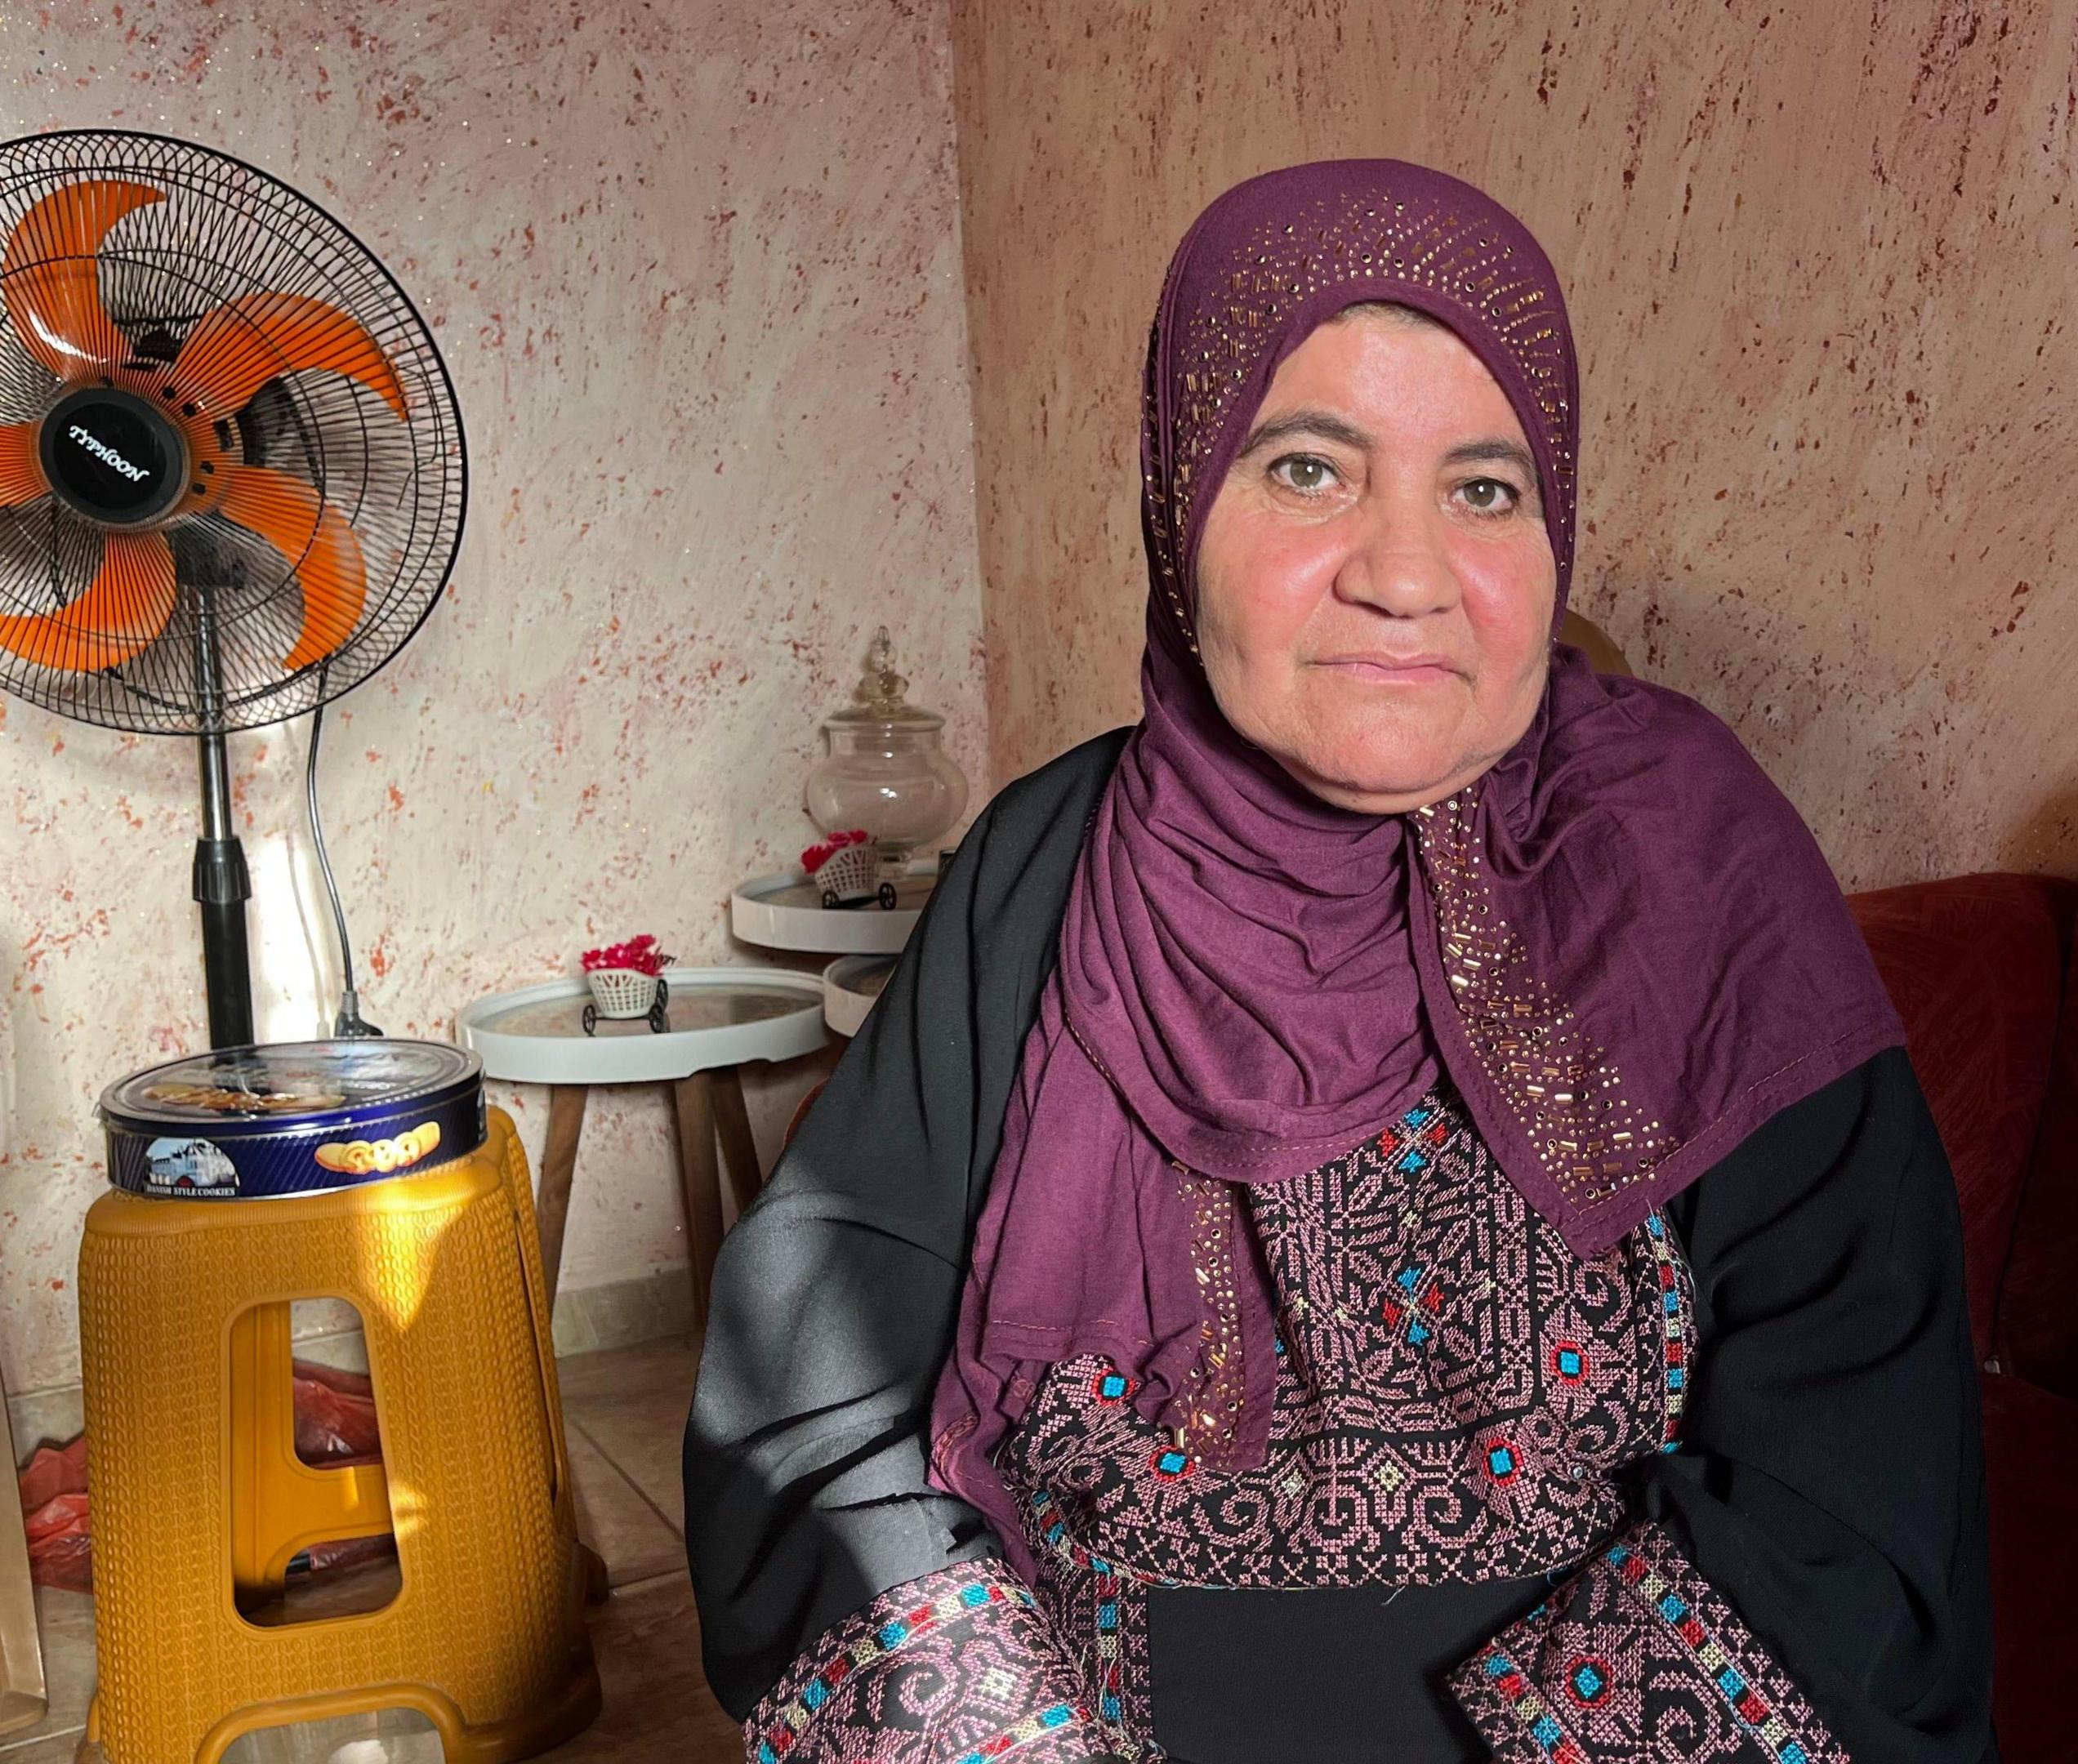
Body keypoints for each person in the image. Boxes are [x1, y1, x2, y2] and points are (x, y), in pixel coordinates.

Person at [684, 158, 1995, 1764]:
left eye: (1486, 489)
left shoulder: (1686, 859)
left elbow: (1855, 1459)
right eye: (1309, 470)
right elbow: (815, 1383)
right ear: (1182, 504)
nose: (1406, 573)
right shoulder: (1045, 867)